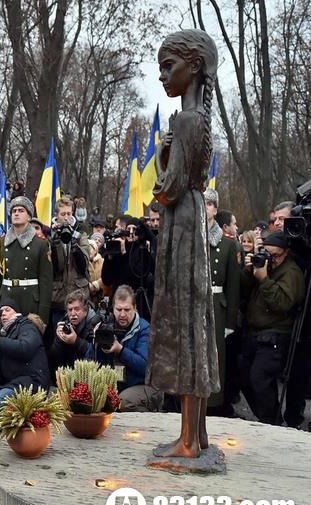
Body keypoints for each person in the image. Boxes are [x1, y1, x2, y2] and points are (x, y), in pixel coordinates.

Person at [146, 30, 220, 458]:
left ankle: (189, 441)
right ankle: (197, 436)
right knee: (193, 323)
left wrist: (161, 156)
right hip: (189, 219)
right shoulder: (196, 119)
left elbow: (167, 189)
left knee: (187, 324)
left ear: (193, 66)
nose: (162, 76)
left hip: (182, 220)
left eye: (168, 66)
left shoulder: (187, 120)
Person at [240, 231, 305, 424]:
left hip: (275, 336)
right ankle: (267, 418)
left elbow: (283, 303)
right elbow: (242, 289)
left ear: (286, 253)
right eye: (268, 254)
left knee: (259, 378)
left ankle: (272, 423)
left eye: (276, 256)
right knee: (243, 377)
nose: (271, 259)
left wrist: (264, 279)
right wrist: (249, 271)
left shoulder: (291, 272)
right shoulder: (265, 265)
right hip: (254, 334)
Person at [88, 285, 160, 411]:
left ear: (135, 308)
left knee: (124, 401)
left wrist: (120, 350)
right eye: (118, 309)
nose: (122, 314)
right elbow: (90, 362)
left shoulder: (144, 329)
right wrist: (96, 341)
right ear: (113, 308)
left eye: (127, 310)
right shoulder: (107, 326)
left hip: (145, 385)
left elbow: (145, 367)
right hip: (118, 385)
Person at [203, 189, 240, 416]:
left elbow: (233, 287)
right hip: (197, 303)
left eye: (208, 204)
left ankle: (214, 404)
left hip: (217, 304)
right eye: (202, 204)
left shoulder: (228, 245)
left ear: (215, 209)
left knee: (216, 356)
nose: (205, 208)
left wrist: (230, 322)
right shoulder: (192, 239)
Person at [0, 196, 53, 322]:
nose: (16, 213)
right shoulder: (0, 243)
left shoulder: (40, 244)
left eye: (21, 210)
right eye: (14, 211)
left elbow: (46, 282)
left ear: (29, 216)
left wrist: (42, 316)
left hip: (30, 302)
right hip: (6, 300)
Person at [0, 298, 50, 414]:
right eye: (1, 312)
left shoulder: (26, 326)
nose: (3, 313)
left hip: (33, 382)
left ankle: (30, 418)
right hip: (19, 382)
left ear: (17, 313)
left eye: (7, 310)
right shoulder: (5, 332)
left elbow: (25, 348)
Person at [50, 197, 91, 324]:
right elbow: (56, 268)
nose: (66, 217)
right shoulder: (50, 234)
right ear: (56, 215)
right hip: (58, 299)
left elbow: (83, 264)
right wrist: (55, 243)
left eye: (69, 213)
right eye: (63, 214)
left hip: (78, 295)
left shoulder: (80, 233)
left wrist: (74, 245)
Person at [49, 290, 100, 371]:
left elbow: (96, 354)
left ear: (85, 310)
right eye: (70, 309)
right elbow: (54, 358)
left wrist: (76, 341)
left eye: (76, 309)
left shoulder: (95, 324)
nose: (72, 313)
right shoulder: (65, 322)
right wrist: (58, 339)